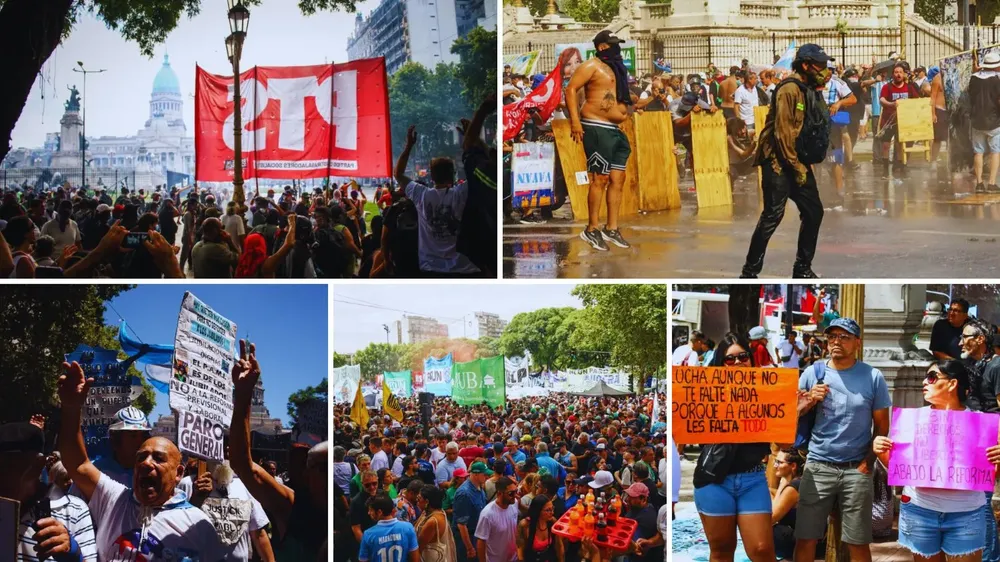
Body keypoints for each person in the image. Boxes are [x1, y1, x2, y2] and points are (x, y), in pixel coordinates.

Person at [56, 361, 225, 560]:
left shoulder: (199, 525)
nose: (146, 463)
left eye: (159, 458)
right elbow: (78, 464)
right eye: (141, 457)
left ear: (178, 473)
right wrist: (71, 407)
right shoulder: (115, 499)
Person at [874, 361, 1000, 562]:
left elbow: (991, 474)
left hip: (966, 514)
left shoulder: (981, 425)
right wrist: (882, 453)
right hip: (919, 511)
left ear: (952, 384)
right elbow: (901, 470)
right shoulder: (911, 421)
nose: (925, 382)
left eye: (931, 377)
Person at [794, 317, 891, 562]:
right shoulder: (812, 373)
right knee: (806, 537)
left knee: (858, 541)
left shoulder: (873, 376)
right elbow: (789, 415)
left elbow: (882, 426)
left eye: (844, 337)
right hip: (818, 467)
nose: (836, 342)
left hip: (856, 470)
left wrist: (867, 464)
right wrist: (808, 401)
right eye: (832, 337)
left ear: (857, 343)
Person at [228, 339, 329, 559]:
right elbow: (244, 465)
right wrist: (244, 395)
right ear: (308, 473)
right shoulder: (293, 507)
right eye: (323, 468)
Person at [742, 44, 832, 279]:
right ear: (805, 65)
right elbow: (783, 134)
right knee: (773, 215)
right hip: (778, 161)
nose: (824, 70)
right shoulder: (788, 90)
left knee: (814, 212)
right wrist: (796, 167)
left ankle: (802, 268)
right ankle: (749, 273)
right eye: (820, 66)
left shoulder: (809, 89)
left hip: (797, 160)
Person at [693, 332, 775, 562]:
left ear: (751, 359)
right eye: (730, 359)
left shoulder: (769, 393)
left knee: (762, 550)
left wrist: (795, 410)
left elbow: (785, 442)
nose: (737, 363)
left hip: (753, 480)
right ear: (720, 363)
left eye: (743, 357)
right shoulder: (705, 394)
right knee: (721, 550)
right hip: (714, 480)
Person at [566, 30, 634, 252]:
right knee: (600, 178)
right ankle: (592, 228)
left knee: (618, 178)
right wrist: (575, 122)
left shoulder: (615, 68)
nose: (617, 48)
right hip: (595, 126)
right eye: (613, 45)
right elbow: (571, 89)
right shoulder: (591, 65)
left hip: (614, 129)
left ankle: (611, 228)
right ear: (602, 47)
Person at [1, 421, 98, 561]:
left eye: (11, 464)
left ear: (38, 464)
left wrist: (74, 553)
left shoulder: (73, 510)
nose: (4, 474)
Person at [393, 125, 480, 277]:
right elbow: (480, 169)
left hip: (431, 267)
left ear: (431, 177)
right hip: (463, 267)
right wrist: (473, 140)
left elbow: (398, 173)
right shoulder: (461, 192)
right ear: (453, 175)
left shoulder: (421, 195)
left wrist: (409, 146)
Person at [187, 461, 275, 562]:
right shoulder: (189, 484)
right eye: (223, 449)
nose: (226, 452)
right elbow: (179, 526)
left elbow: (258, 533)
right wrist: (196, 499)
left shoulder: (244, 486)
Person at [771, 449, 812, 560]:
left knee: (760, 528)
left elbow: (772, 517)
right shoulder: (795, 481)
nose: (775, 465)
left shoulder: (794, 487)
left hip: (796, 540)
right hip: (799, 535)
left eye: (779, 462)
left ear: (793, 466)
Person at [359, 493, 420, 562]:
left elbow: (363, 560)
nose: (369, 513)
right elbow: (416, 559)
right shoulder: (408, 527)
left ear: (379, 512)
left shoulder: (368, 534)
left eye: (371, 510)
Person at [970, 52, 1000, 193]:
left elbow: (970, 97)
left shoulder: (974, 78)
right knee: (995, 151)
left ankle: (979, 184)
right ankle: (992, 183)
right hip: (994, 121)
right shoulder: (997, 80)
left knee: (978, 152)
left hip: (976, 121)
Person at [475, 476, 519, 562]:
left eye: (516, 491)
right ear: (499, 493)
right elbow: (481, 542)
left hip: (514, 558)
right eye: (511, 493)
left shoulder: (514, 504)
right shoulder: (487, 514)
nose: (515, 495)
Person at [454, 461, 491, 561]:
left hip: (477, 534)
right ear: (475, 474)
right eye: (485, 474)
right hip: (467, 538)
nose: (487, 477)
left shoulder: (479, 487)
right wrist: (469, 548)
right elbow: (461, 524)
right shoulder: (464, 494)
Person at [623, 483, 666, 562]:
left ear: (643, 499)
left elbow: (637, 547)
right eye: (628, 496)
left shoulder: (646, 518)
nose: (627, 499)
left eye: (632, 497)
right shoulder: (638, 508)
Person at [415, 484, 458, 562]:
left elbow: (418, 547)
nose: (417, 502)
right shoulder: (430, 512)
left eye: (419, 499)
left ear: (427, 502)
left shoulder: (433, 521)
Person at [516, 494, 564, 562]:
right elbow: (520, 552)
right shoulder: (525, 525)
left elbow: (559, 546)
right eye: (548, 510)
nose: (552, 513)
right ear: (538, 511)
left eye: (552, 508)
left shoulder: (552, 522)